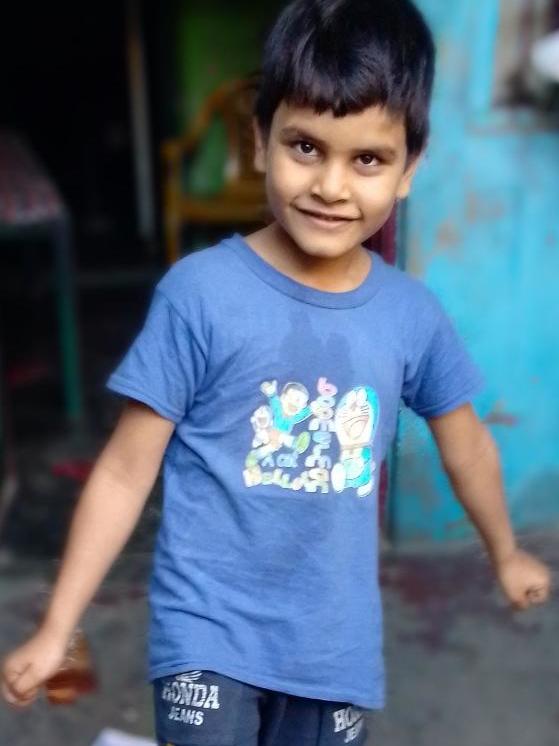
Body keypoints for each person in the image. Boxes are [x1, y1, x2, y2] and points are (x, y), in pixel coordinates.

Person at [1, 0, 552, 744]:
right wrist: (56, 629)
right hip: (206, 634)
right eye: (305, 147)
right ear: (260, 141)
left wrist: (504, 552)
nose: (331, 185)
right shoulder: (200, 294)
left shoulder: (410, 316)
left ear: (409, 170)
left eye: (367, 159)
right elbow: (125, 473)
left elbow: (468, 447)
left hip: (332, 652)